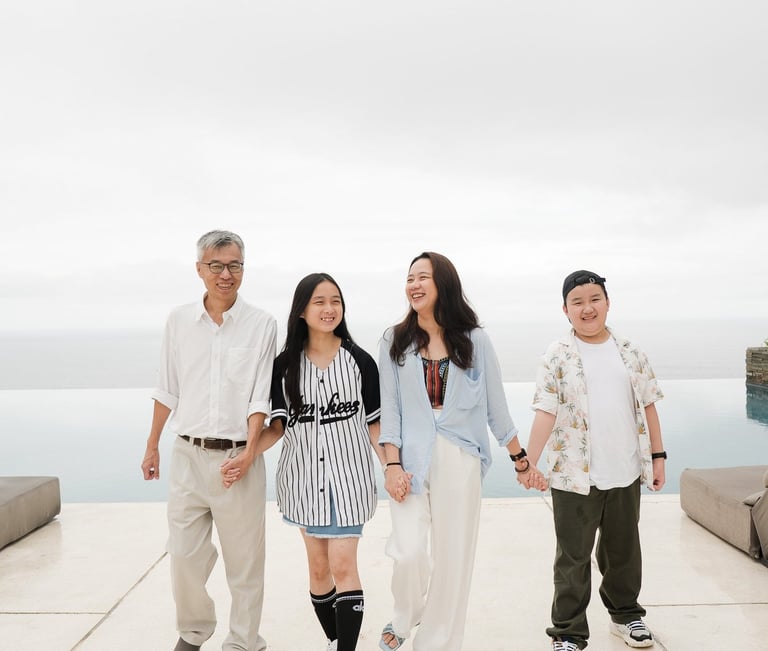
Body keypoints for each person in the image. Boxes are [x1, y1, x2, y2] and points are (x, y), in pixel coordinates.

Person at [377, 251, 547, 651]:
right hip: (410, 459)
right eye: (410, 277)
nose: (414, 284)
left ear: (444, 285)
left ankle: (436, 642)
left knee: (454, 558)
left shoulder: (475, 340)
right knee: (408, 550)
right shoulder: (394, 339)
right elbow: (390, 410)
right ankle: (406, 614)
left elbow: (495, 407)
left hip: (460, 456)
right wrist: (392, 465)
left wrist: (520, 459)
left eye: (423, 277)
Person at [141, 230, 277, 651]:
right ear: (199, 269)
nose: (225, 274)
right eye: (216, 265)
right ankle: (194, 631)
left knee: (245, 563)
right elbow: (168, 387)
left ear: (243, 270)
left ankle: (243, 641)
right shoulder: (178, 321)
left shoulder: (262, 324)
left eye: (234, 265)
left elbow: (260, 397)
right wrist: (151, 446)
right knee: (183, 555)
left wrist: (250, 454)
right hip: (186, 455)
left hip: (238, 458)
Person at [525, 270, 667, 651]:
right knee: (572, 558)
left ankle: (626, 616)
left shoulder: (631, 351)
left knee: (623, 551)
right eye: (578, 302)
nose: (587, 308)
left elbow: (649, 404)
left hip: (625, 469)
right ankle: (568, 632)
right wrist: (527, 462)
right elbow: (545, 410)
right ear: (565, 309)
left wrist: (658, 457)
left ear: (607, 302)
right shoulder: (556, 355)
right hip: (572, 476)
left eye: (595, 299)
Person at [252, 272, 385, 651]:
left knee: (344, 566)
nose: (329, 309)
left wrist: (392, 467)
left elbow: (376, 425)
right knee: (318, 569)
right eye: (320, 302)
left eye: (335, 301)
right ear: (301, 311)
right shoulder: (282, 366)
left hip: (350, 480)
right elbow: (276, 428)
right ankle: (334, 639)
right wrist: (243, 457)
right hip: (302, 481)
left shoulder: (360, 362)